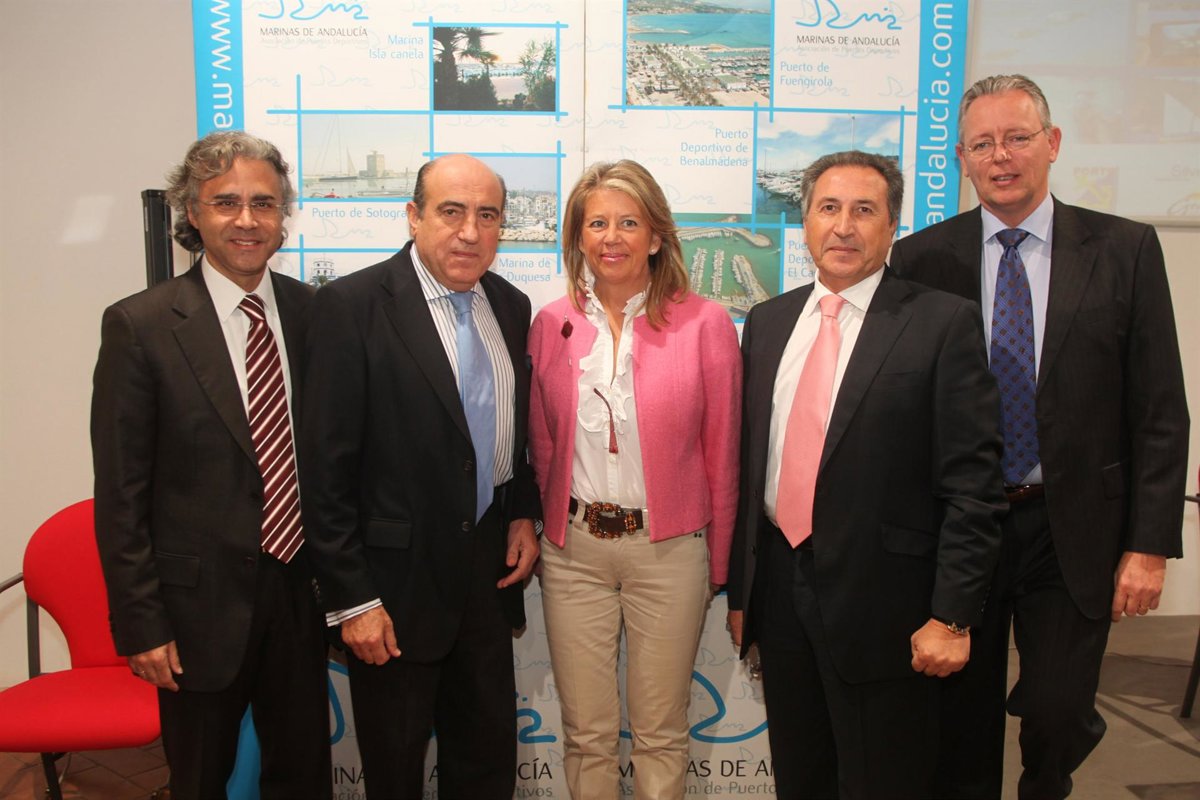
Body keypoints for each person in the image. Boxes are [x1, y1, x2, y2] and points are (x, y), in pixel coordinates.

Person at [889, 74, 1190, 800]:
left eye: (1018, 138)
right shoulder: (922, 259)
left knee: (1057, 710)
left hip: (1073, 526)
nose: (1002, 156)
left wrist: (1149, 546)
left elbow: (1160, 409)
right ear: (962, 159)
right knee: (959, 721)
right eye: (983, 143)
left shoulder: (1124, 248)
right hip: (964, 526)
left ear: (1052, 144)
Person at [726, 150, 1007, 799]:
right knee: (802, 778)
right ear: (805, 222)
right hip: (782, 595)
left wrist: (952, 616)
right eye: (829, 208)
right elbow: (752, 464)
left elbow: (973, 485)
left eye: (864, 210)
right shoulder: (769, 323)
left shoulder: (941, 322)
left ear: (892, 227)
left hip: (890, 609)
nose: (844, 226)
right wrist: (745, 595)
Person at [91, 131, 330, 799]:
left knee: (304, 778)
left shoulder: (314, 315)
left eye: (264, 203)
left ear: (283, 215)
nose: (247, 220)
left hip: (300, 596)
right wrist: (142, 624)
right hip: (195, 612)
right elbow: (121, 494)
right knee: (198, 782)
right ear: (192, 213)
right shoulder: (140, 327)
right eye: (226, 203)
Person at [298, 153, 542, 799]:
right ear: (413, 216)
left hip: (486, 578)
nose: (469, 232)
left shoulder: (511, 305)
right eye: (451, 212)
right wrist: (354, 600)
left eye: (487, 216)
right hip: (392, 591)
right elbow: (322, 472)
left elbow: (507, 431)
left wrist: (522, 509)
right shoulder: (351, 306)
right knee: (396, 771)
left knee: (486, 767)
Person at [527, 160, 742, 799]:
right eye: (597, 223)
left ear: (655, 236)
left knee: (660, 734)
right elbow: (542, 445)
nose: (611, 237)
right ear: (578, 236)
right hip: (575, 556)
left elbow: (722, 455)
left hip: (669, 552)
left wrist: (720, 565)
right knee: (587, 735)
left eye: (628, 222)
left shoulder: (705, 323)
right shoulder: (550, 323)